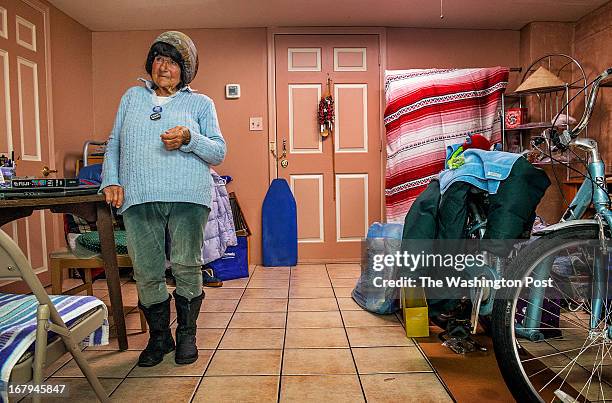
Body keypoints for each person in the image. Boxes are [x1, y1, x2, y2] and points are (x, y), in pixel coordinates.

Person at [100, 31, 226, 367]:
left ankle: (186, 335)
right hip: (139, 197)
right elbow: (114, 144)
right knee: (146, 271)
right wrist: (110, 179)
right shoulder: (131, 97)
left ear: (186, 70)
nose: (163, 66)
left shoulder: (200, 103)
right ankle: (159, 338)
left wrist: (188, 137)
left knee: (186, 265)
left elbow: (218, 151)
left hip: (187, 196)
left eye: (172, 61)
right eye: (158, 58)